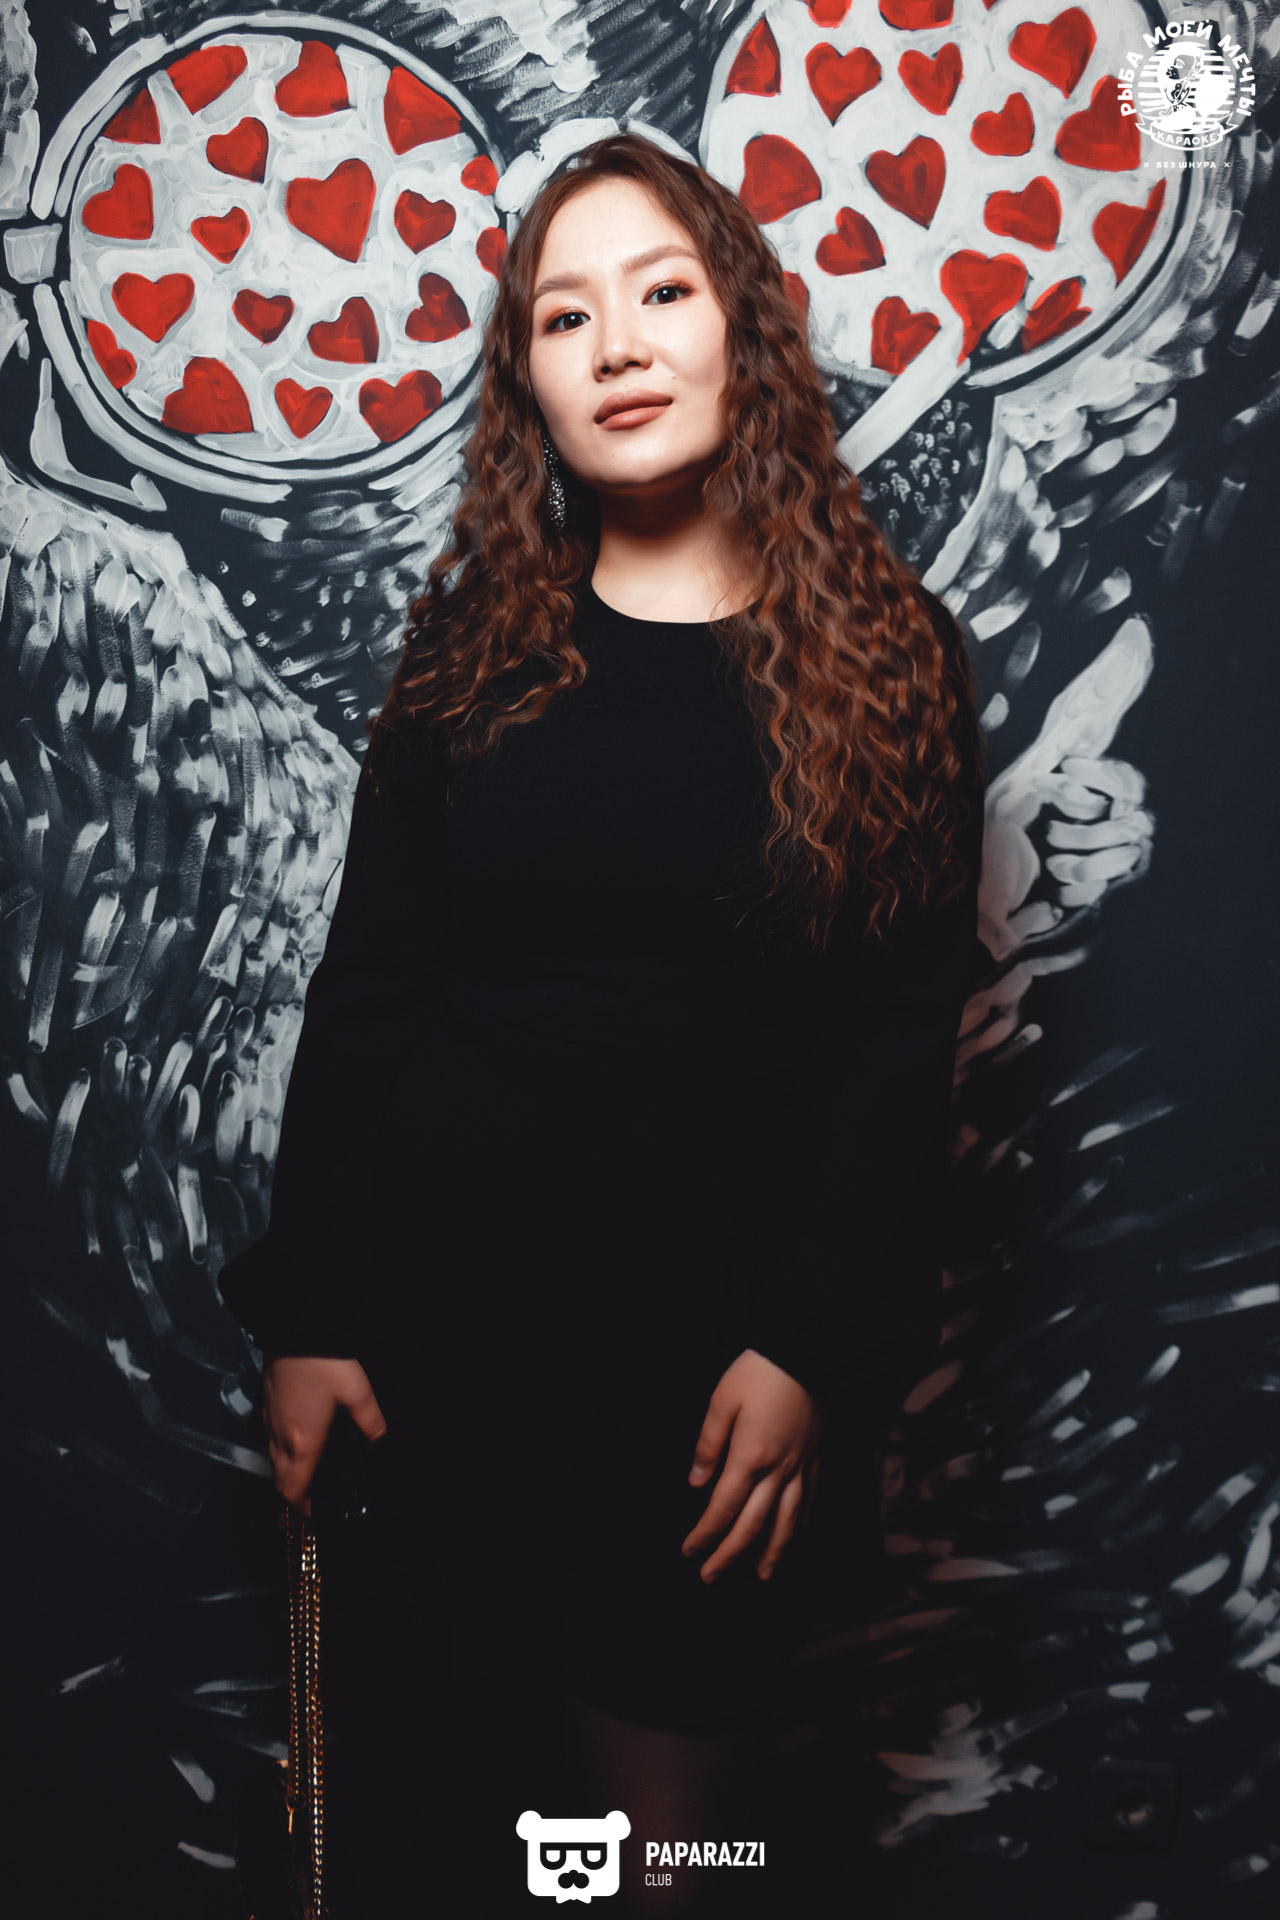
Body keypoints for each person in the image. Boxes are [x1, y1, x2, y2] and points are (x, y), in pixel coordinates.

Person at [217, 131, 985, 1918]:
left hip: (715, 1372)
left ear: (743, 334)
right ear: (531, 387)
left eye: (662, 293)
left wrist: (802, 1347)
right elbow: (372, 992)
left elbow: (893, 1041)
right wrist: (312, 1314)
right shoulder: (471, 654)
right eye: (566, 318)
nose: (620, 345)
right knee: (439, 1822)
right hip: (446, 1337)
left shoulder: (895, 659)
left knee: (659, 1856)